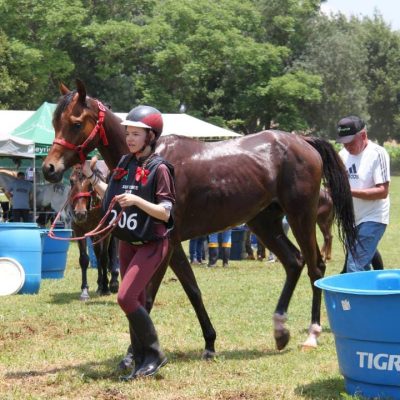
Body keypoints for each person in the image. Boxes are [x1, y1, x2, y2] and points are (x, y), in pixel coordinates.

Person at [82, 105, 175, 380]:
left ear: (151, 136)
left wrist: (137, 201)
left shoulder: (160, 169)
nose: (130, 139)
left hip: (151, 243)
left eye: (136, 134)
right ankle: (139, 358)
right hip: (127, 241)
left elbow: (166, 212)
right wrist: (90, 176)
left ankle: (155, 354)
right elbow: (108, 195)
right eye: (128, 133)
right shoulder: (124, 164)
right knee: (136, 299)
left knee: (125, 297)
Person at [336, 115, 390, 273]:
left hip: (373, 218)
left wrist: (349, 191)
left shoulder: (377, 154)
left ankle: (358, 298)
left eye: (350, 142)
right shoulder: (342, 156)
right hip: (351, 220)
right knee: (361, 263)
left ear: (363, 135)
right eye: (343, 142)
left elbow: (382, 192)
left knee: (355, 265)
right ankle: (376, 294)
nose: (347, 146)